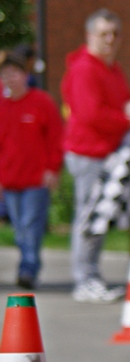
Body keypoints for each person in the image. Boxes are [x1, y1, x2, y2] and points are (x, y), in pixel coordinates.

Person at [61, 8, 130, 303]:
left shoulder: (112, 68)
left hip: (106, 152)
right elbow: (90, 113)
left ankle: (91, 275)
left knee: (98, 218)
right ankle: (84, 280)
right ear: (89, 36)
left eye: (114, 34)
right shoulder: (85, 68)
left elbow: (122, 101)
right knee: (88, 218)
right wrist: (127, 120)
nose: (110, 39)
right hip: (88, 153)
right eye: (103, 34)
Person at [0, 52, 62, 289]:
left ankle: (28, 269)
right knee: (19, 229)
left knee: (30, 225)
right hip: (11, 179)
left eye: (14, 74)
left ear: (25, 76)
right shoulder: (2, 107)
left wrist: (52, 169)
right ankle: (28, 264)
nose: (10, 79)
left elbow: (56, 138)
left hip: (36, 179)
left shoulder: (41, 102)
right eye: (5, 75)